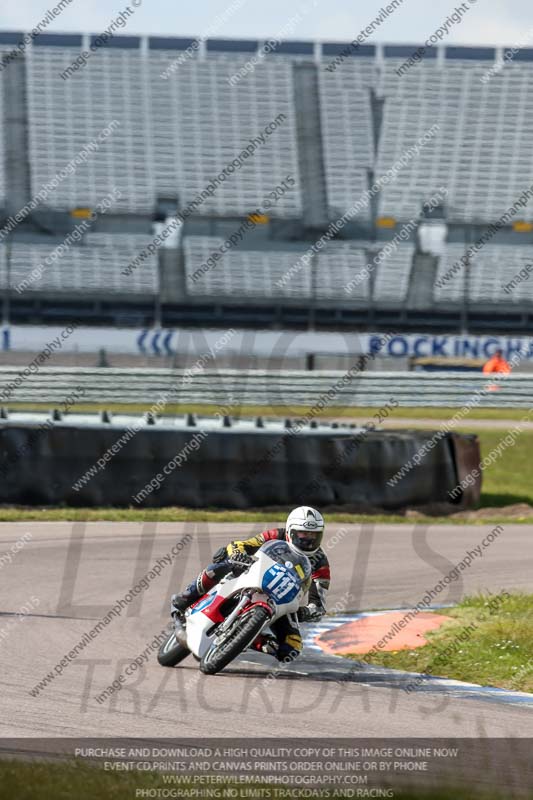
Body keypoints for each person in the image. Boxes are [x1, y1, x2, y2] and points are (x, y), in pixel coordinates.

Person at [171, 506, 330, 663]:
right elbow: (241, 545)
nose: (309, 539)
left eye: (314, 535)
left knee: (292, 647)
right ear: (290, 531)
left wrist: (305, 612)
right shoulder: (276, 535)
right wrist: (237, 555)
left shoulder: (320, 563)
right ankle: (187, 596)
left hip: (282, 600)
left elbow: (319, 607)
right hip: (253, 575)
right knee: (222, 561)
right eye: (303, 533)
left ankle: (249, 640)